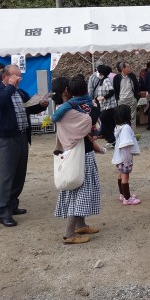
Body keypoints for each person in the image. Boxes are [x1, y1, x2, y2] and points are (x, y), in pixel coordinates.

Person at [0, 65, 48, 227]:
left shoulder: (20, 92)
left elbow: (28, 109)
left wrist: (41, 105)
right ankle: (3, 212)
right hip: (7, 138)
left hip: (22, 135)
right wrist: (9, 87)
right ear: (5, 77)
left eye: (20, 76)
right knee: (7, 175)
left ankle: (13, 205)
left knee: (19, 174)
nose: (19, 79)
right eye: (16, 76)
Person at [51, 76, 105, 244]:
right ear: (67, 91)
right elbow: (89, 122)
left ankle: (80, 224)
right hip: (79, 156)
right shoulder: (71, 111)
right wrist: (95, 107)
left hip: (78, 153)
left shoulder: (64, 108)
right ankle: (69, 233)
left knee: (80, 189)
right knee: (80, 192)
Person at [112, 104, 141, 205]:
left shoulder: (118, 127)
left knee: (120, 176)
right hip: (125, 158)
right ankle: (127, 199)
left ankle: (122, 195)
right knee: (125, 178)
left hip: (118, 157)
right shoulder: (126, 128)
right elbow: (125, 145)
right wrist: (127, 161)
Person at [94, 65, 117, 148]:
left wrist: (103, 97)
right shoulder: (101, 81)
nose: (97, 73)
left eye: (97, 71)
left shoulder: (106, 80)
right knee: (109, 124)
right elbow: (100, 93)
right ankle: (112, 140)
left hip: (109, 106)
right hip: (104, 106)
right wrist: (96, 99)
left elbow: (111, 91)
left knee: (100, 121)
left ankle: (111, 139)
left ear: (102, 73)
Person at [113, 61, 140, 126]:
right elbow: (115, 90)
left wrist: (136, 98)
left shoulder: (132, 76)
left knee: (133, 118)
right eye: (128, 67)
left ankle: (132, 134)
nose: (129, 68)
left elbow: (137, 86)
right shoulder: (117, 78)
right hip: (122, 100)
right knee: (122, 117)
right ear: (123, 69)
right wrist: (118, 100)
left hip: (132, 99)